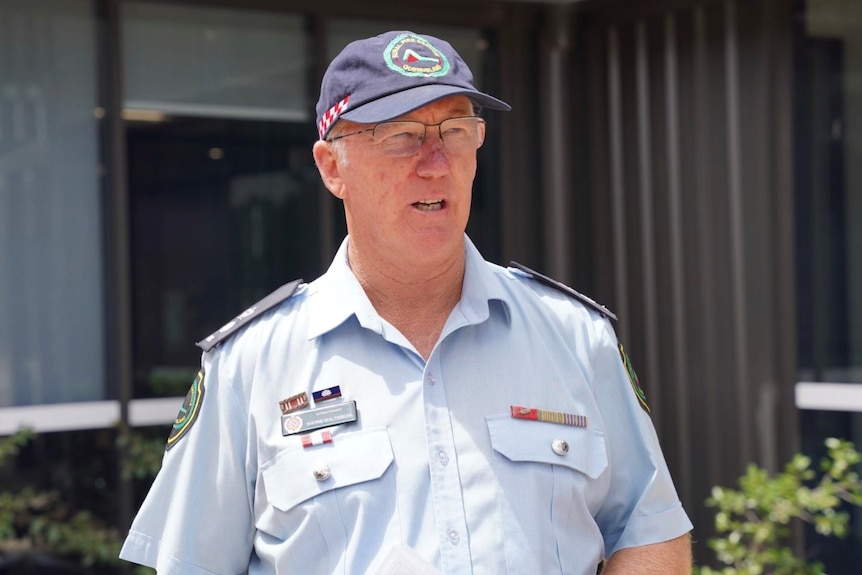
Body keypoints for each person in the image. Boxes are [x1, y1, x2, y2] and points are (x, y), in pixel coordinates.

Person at [119, 30, 693, 574]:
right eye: (402, 136)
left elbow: (649, 530)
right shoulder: (250, 366)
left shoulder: (574, 336)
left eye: (455, 132)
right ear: (331, 167)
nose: (436, 163)